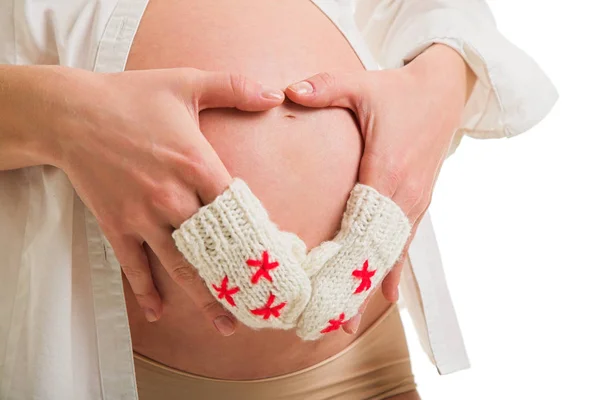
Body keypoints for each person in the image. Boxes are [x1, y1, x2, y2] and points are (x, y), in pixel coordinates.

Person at [0, 0, 558, 399]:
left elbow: (434, 11)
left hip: (360, 370)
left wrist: (438, 84)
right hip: (101, 369)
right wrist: (62, 118)